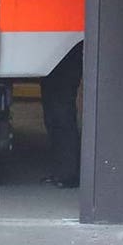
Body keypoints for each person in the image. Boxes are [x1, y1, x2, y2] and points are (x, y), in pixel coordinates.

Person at [40, 42, 83, 188]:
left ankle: (68, 174)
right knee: (56, 117)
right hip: (58, 66)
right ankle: (63, 172)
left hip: (61, 68)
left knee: (61, 118)